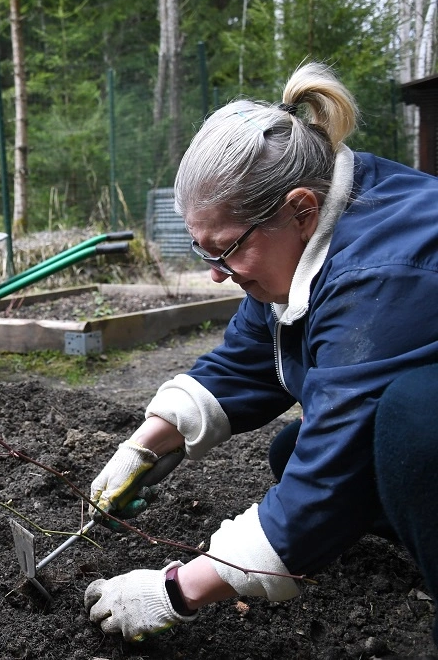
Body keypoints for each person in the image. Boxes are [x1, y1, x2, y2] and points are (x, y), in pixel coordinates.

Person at [83, 61, 438, 648]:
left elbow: (328, 474)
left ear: (300, 209)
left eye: (225, 251)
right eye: (205, 255)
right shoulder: (321, 223)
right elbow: (253, 354)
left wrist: (176, 589)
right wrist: (148, 441)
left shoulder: (382, 274)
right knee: (292, 448)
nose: (218, 276)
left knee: (412, 421)